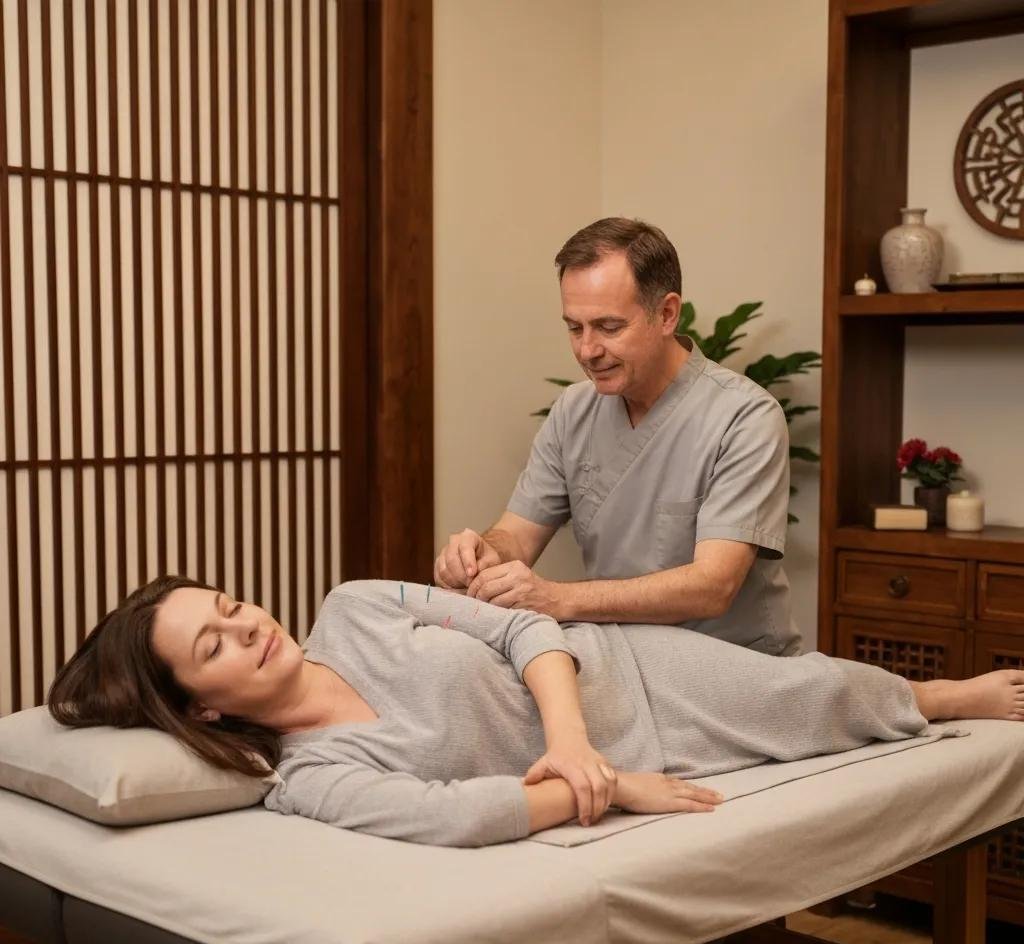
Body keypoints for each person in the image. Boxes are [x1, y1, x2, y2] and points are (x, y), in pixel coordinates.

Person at [50, 575, 1024, 848]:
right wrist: (600, 790)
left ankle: (941, 696)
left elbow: (522, 630)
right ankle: (921, 700)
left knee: (806, 689)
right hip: (604, 765)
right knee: (793, 710)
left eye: (230, 606)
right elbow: (452, 814)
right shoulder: (310, 778)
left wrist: (569, 744)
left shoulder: (350, 605)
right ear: (202, 711)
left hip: (612, 672)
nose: (247, 626)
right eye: (214, 646)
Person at [434, 217, 802, 656]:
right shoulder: (574, 411)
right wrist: (485, 553)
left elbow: (713, 587)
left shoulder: (744, 417)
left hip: (734, 664)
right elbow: (516, 537)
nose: (587, 350)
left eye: (608, 327)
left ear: (666, 314)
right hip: (622, 660)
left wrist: (557, 599)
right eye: (575, 327)